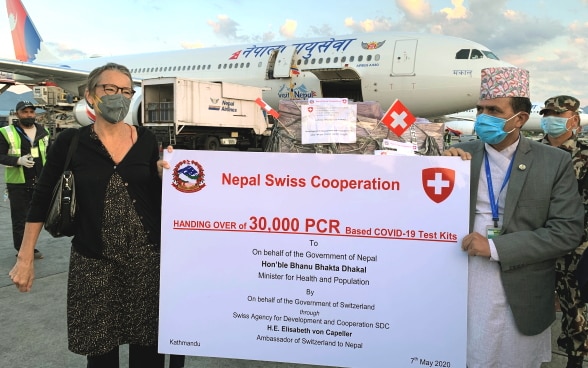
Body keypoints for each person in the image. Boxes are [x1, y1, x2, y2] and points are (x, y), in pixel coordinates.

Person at [8, 63, 172, 368]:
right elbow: (42, 198)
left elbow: (157, 199)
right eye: (109, 89)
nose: (118, 96)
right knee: (100, 352)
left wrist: (168, 180)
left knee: (149, 350)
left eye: (126, 91)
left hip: (146, 262)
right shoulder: (70, 143)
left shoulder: (148, 141)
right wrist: (25, 256)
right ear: (90, 95)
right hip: (93, 262)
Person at [443, 67, 585, 367]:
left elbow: (566, 232)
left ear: (519, 119)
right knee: (463, 351)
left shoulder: (554, 161)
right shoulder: (459, 155)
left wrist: (495, 248)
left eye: (493, 110)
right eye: (480, 109)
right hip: (460, 275)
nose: (483, 117)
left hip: (522, 283)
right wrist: (438, 169)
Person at [540, 95, 588, 368]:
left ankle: (575, 358)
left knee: (574, 305)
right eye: (548, 115)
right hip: (538, 240)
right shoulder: (532, 151)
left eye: (559, 116)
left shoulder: (584, 153)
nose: (552, 120)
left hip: (575, 245)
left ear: (574, 119)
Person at [0, 100, 49, 259]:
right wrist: (17, 161)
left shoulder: (44, 132)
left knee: (36, 218)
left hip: (39, 181)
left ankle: (30, 245)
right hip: (18, 183)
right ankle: (23, 250)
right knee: (20, 219)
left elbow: (49, 155)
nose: (29, 115)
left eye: (31, 112)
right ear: (17, 114)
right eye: (25, 112)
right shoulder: (6, 132)